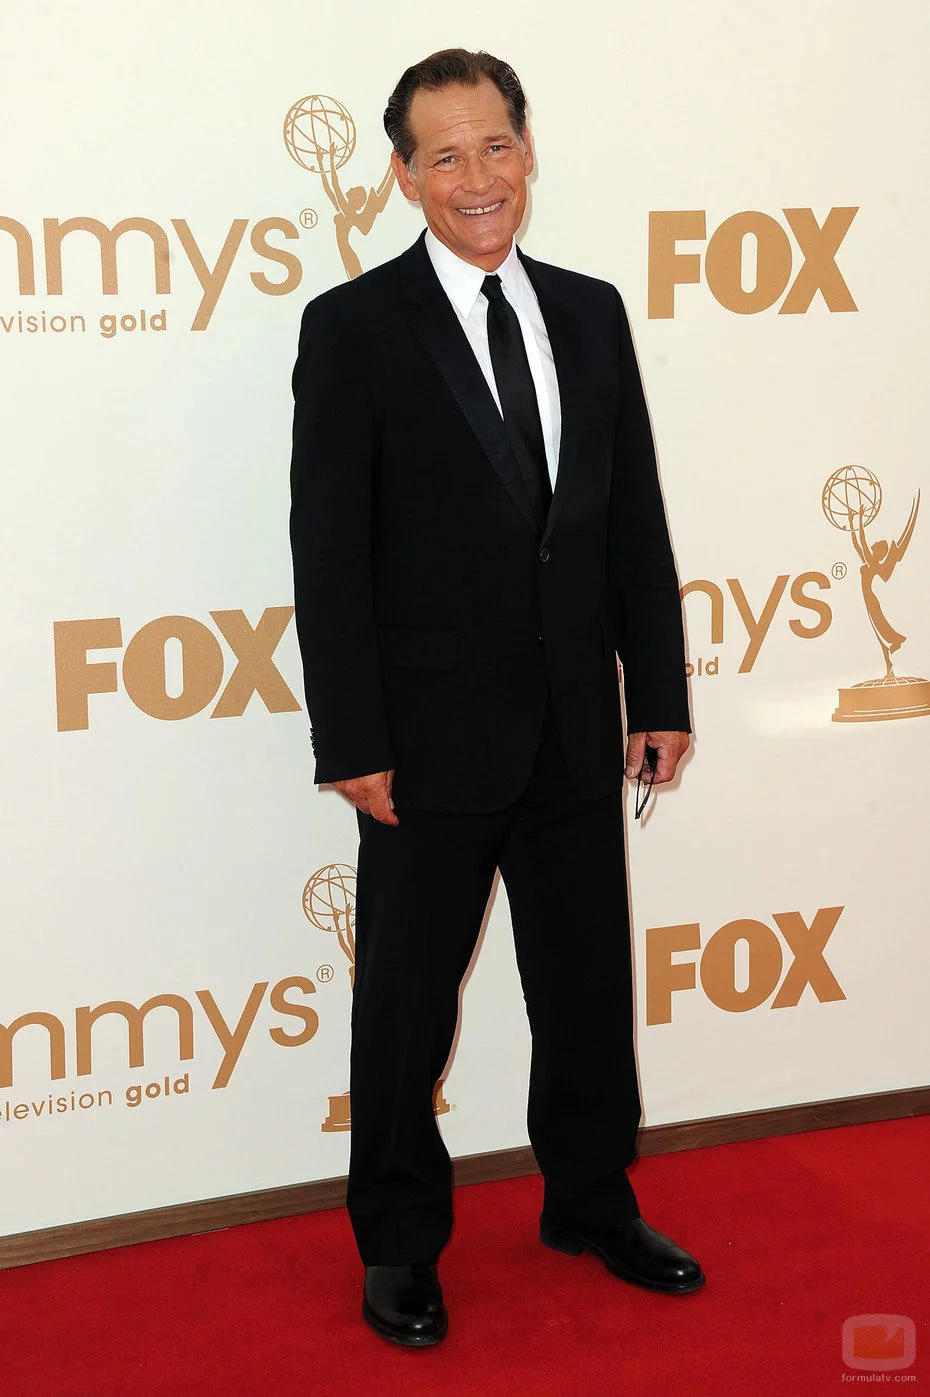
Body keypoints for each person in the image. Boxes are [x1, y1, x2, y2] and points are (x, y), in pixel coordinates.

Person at [289, 47, 703, 1349]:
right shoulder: (354, 328)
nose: (479, 177)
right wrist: (351, 736)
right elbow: (327, 551)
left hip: (576, 724)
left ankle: (591, 1200)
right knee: (406, 1010)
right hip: (422, 744)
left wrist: (657, 690)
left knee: (584, 992)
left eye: (497, 146)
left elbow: (628, 517)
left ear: (528, 151)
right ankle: (398, 1243)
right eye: (446, 155)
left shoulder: (589, 312)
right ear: (403, 175)